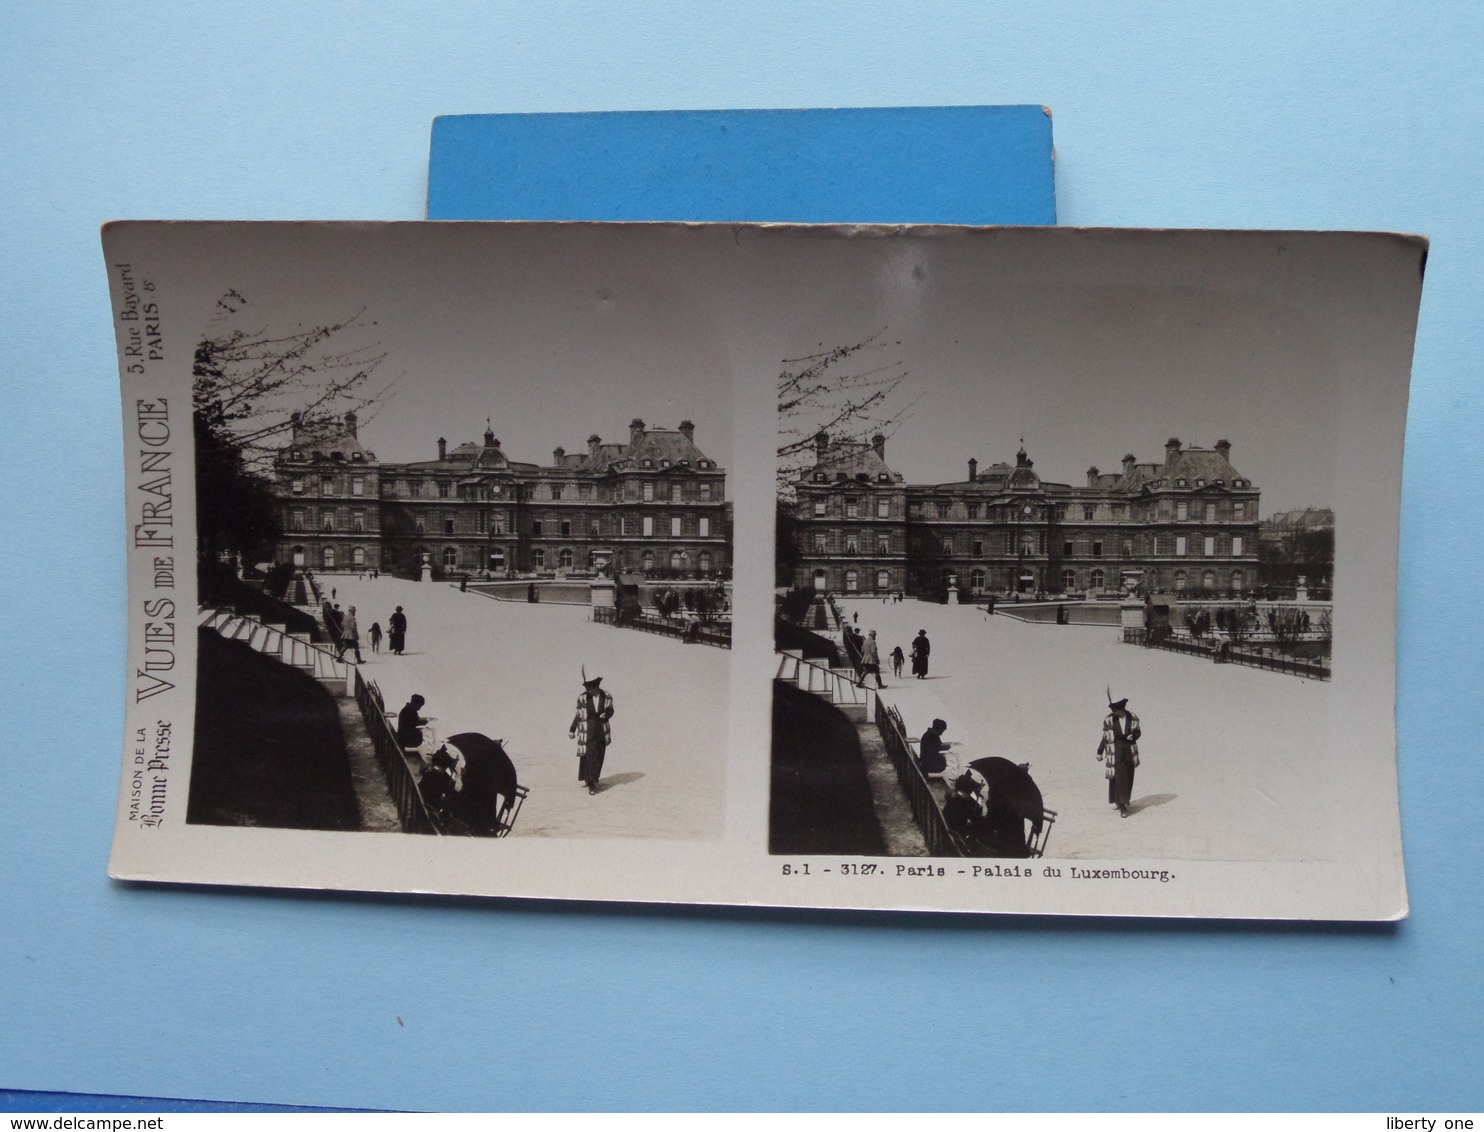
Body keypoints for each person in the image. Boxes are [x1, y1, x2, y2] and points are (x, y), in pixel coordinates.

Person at [569, 673, 615, 795]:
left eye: (589, 688)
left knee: (599, 756)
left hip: (601, 730)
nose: (588, 690)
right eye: (586, 688)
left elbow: (610, 710)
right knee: (589, 757)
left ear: (596, 687)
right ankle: (591, 784)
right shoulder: (582, 698)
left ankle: (593, 779)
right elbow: (578, 715)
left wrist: (606, 714)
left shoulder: (606, 696)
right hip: (587, 731)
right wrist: (572, 729)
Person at [1096, 695, 1142, 817]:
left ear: (1122, 709)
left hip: (1129, 752)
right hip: (1116, 753)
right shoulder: (1109, 720)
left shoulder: (1133, 718)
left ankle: (1123, 801)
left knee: (1128, 778)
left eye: (1116, 711)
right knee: (1120, 780)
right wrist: (1099, 752)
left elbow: (1137, 732)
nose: (1114, 713)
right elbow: (1105, 737)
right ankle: (1122, 807)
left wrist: (1134, 736)